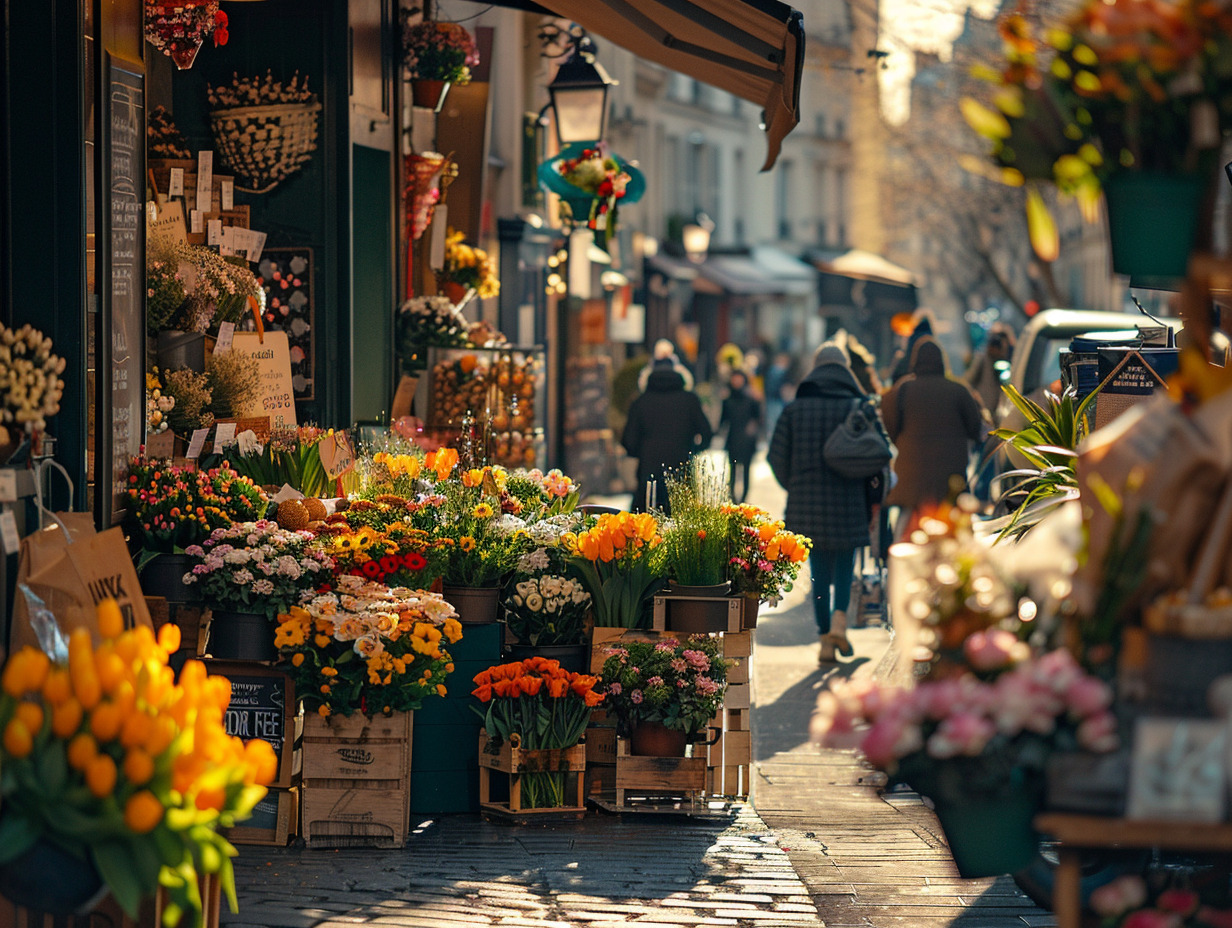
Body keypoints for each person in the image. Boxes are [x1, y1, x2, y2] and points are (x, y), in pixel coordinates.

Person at [768, 342, 888, 665]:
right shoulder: (859, 407)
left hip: (807, 504)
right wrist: (874, 502)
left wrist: (794, 485)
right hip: (850, 501)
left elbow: (775, 456)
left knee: (819, 572)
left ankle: (824, 639)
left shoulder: (794, 410)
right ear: (846, 369)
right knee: (845, 565)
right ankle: (839, 621)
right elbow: (879, 458)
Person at [880, 336, 985, 536]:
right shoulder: (959, 391)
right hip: (950, 480)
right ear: (942, 361)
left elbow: (888, 420)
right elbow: (975, 428)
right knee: (952, 536)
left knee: (909, 533)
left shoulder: (902, 390)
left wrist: (902, 441)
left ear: (915, 361)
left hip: (911, 480)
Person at [622, 355, 713, 515]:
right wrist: (692, 451)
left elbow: (628, 440)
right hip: (680, 470)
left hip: (648, 474)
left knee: (645, 528)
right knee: (679, 524)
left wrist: (641, 452)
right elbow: (706, 433)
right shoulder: (689, 400)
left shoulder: (640, 401)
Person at [718, 370, 762, 503]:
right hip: (733, 438)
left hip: (747, 440)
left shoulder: (751, 399)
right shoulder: (727, 399)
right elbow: (723, 420)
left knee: (746, 470)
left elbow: (758, 418)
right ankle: (732, 497)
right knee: (732, 469)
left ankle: (743, 498)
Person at [763, 352, 793, 439]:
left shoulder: (770, 371)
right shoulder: (782, 372)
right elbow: (785, 388)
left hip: (770, 401)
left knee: (771, 425)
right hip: (778, 401)